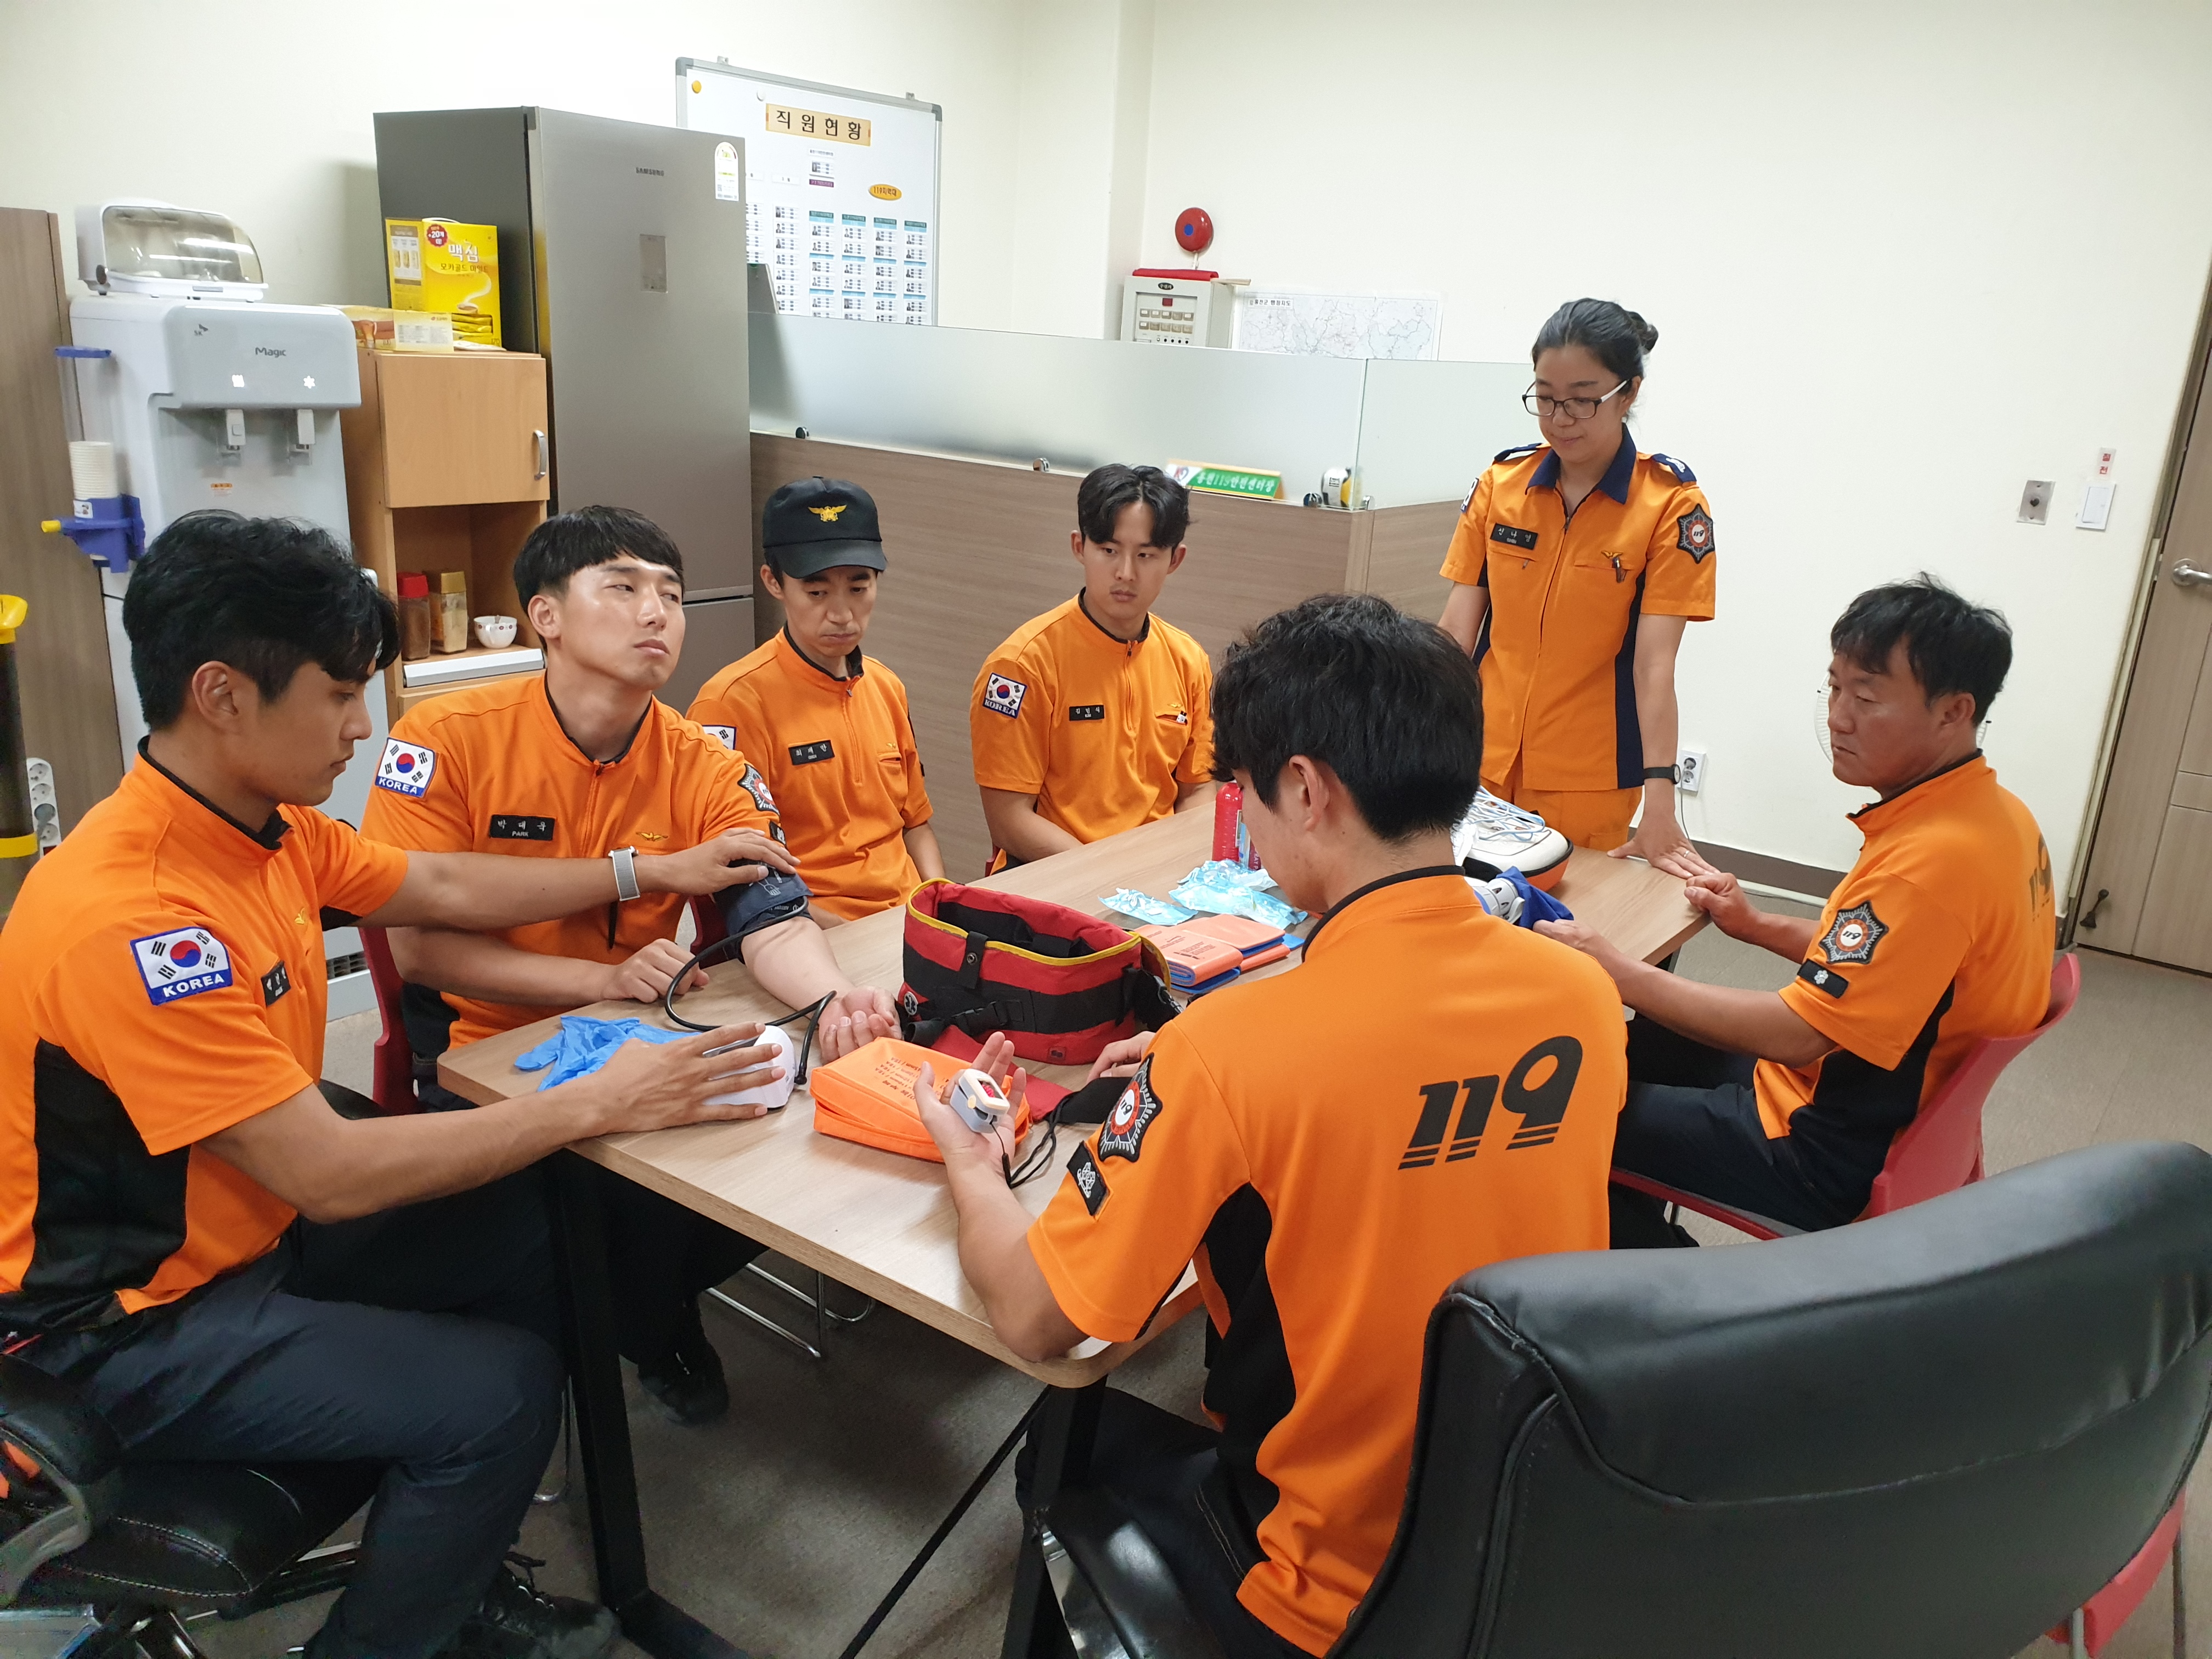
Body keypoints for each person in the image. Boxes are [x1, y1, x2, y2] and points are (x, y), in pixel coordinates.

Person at [0, 512, 783, 1659]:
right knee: (500, 1390)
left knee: (540, 1232)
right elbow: (325, 1173)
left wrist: (645, 868)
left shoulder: (271, 832)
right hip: (121, 1327)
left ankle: (457, 1569)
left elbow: (445, 884)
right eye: (336, 695)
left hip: (248, 1227)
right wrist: (601, 1101)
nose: (360, 725)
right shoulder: (137, 919)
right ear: (222, 695)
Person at [918, 594, 1627, 1658]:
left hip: (1331, 1592)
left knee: (1062, 1443)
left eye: (1244, 794)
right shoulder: (1580, 1000)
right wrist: (1219, 1064)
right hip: (1529, 1530)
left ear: (1304, 787)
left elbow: (1031, 1317)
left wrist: (974, 1164)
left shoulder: (1231, 1050)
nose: (1244, 826)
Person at [360, 505, 897, 1423]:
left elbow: (769, 916)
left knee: (786, 1155)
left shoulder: (702, 759)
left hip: (638, 1037)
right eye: (623, 587)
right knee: (587, 1226)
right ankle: (640, 1326)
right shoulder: (444, 737)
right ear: (545, 615)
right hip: (490, 1051)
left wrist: (837, 999)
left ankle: (642, 1313)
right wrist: (598, 981)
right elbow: (417, 946)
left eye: (671, 594)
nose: (657, 612)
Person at [1536, 577, 2056, 1240]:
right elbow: (1895, 964)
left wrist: (1616, 970)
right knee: (1615, 1049)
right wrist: (1758, 926)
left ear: (1954, 712)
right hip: (1869, 1102)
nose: (1838, 717)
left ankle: (1661, 1286)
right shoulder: (1998, 817)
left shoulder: (1929, 864)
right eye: (1834, 688)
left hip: (1822, 1148)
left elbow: (1798, 1034)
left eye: (1866, 697)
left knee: (1545, 1112)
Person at [1437, 298, 1715, 873]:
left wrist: (1661, 803)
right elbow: (1455, 634)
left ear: (1628, 393)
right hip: (1479, 756)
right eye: (1545, 398)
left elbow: (1654, 668)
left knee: (1571, 915)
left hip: (1589, 777)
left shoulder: (1670, 505)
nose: (1560, 418)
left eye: (1583, 400)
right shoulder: (1502, 486)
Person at [688, 476, 941, 921]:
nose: (842, 614)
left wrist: (939, 905)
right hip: (810, 928)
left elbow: (915, 825)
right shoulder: (731, 704)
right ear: (773, 582)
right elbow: (742, 875)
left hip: (906, 918)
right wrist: (853, 936)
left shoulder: (886, 687)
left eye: (858, 589)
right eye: (817, 592)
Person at [970, 463, 1213, 870]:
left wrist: (1172, 866)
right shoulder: (1022, 666)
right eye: (1109, 551)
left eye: (1146, 555)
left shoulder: (1189, 661)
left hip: (1157, 876)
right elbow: (1009, 820)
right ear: (1079, 546)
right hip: (1056, 876)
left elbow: (1197, 790)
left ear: (1175, 559)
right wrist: (1106, 873)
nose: (1126, 573)